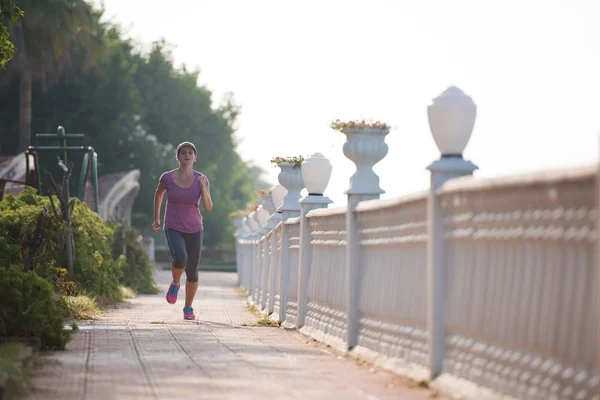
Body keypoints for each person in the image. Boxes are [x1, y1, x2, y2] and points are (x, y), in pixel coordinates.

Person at [152, 141, 213, 320]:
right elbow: (159, 194)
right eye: (183, 152)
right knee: (180, 257)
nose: (187, 155)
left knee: (193, 270)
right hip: (173, 226)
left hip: (195, 228)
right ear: (177, 157)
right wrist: (156, 218)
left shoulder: (202, 179)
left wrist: (203, 188)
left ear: (195, 157)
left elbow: (208, 207)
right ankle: (176, 283)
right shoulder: (168, 178)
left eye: (190, 152)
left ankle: (188, 308)